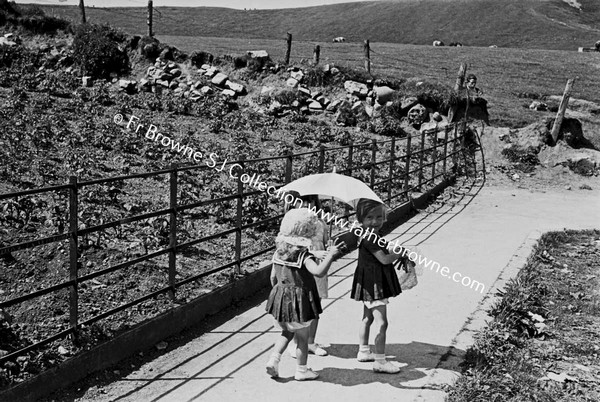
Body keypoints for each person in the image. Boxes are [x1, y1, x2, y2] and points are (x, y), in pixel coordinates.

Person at [265, 208, 344, 380]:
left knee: (286, 332)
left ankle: (274, 359)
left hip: (280, 300)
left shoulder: (278, 252)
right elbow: (318, 272)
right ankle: (302, 371)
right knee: (302, 337)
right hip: (298, 302)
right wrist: (330, 255)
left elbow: (273, 277)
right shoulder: (303, 255)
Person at [351, 198, 405, 374]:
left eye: (379, 217)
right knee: (382, 323)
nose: (374, 222)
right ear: (361, 218)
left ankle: (364, 351)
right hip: (374, 284)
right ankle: (380, 361)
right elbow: (383, 259)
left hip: (367, 282)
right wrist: (398, 254)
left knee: (367, 318)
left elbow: (381, 249)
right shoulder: (369, 238)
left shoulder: (368, 234)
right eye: (369, 217)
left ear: (384, 217)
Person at [285, 194, 331, 358]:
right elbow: (292, 249)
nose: (306, 204)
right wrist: (313, 252)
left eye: (310, 201)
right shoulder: (295, 224)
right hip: (303, 265)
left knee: (316, 304)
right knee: (302, 305)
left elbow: (324, 241)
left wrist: (328, 247)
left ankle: (311, 341)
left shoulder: (320, 221)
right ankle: (296, 342)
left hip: (318, 264)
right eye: (301, 201)